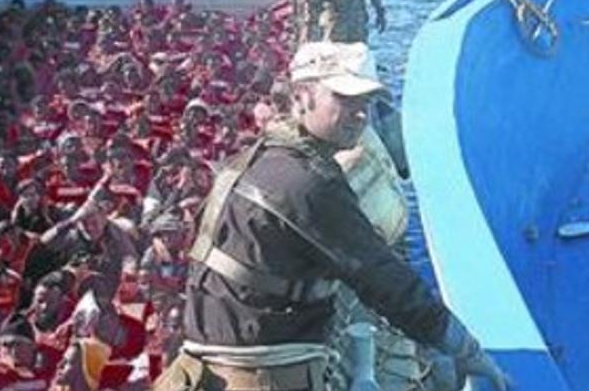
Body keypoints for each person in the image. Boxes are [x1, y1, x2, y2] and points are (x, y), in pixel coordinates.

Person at [156, 42, 506, 390]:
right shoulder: (307, 184)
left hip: (207, 366)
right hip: (257, 374)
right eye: (346, 99)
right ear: (302, 97)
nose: (360, 114)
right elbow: (384, 280)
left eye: (366, 102)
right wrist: (464, 348)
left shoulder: (252, 161)